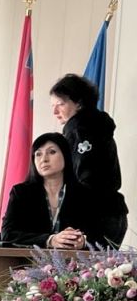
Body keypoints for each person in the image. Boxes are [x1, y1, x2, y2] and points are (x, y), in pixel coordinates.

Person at [50, 73, 128, 246]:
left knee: (74, 264)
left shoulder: (81, 131)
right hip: (111, 214)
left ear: (79, 103)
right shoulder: (95, 127)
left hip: (95, 216)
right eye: (53, 106)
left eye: (60, 104)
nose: (54, 112)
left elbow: (87, 180)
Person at [1, 132, 99, 250]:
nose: (44, 159)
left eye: (52, 152)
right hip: (28, 259)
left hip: (73, 260)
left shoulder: (85, 194)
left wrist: (83, 241)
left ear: (66, 155)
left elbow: (102, 235)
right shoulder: (21, 193)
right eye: (38, 154)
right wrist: (50, 240)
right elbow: (7, 234)